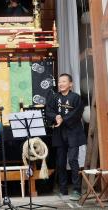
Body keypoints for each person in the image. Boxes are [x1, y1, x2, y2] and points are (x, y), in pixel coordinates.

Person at [46, 73, 86, 202]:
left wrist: (63, 119)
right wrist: (55, 117)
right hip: (59, 133)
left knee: (73, 160)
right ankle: (63, 188)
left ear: (70, 84)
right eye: (59, 81)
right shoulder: (54, 97)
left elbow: (77, 113)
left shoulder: (76, 97)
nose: (61, 84)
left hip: (73, 132)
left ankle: (76, 189)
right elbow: (49, 110)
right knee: (60, 162)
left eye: (64, 81)